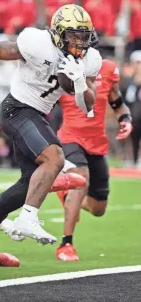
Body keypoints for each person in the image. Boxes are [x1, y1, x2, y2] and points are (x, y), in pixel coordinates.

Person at [0, 4, 102, 253]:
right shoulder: (37, 43)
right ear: (59, 33)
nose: (80, 42)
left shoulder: (89, 59)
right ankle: (27, 217)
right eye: (74, 35)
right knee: (55, 158)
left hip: (36, 115)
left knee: (30, 182)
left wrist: (80, 81)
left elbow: (87, 106)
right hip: (16, 109)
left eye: (84, 35)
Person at [56, 36, 132, 261]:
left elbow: (116, 101)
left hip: (97, 142)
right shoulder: (64, 69)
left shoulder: (108, 69)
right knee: (81, 180)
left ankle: (67, 193)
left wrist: (125, 119)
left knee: (99, 208)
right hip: (71, 136)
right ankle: (66, 244)